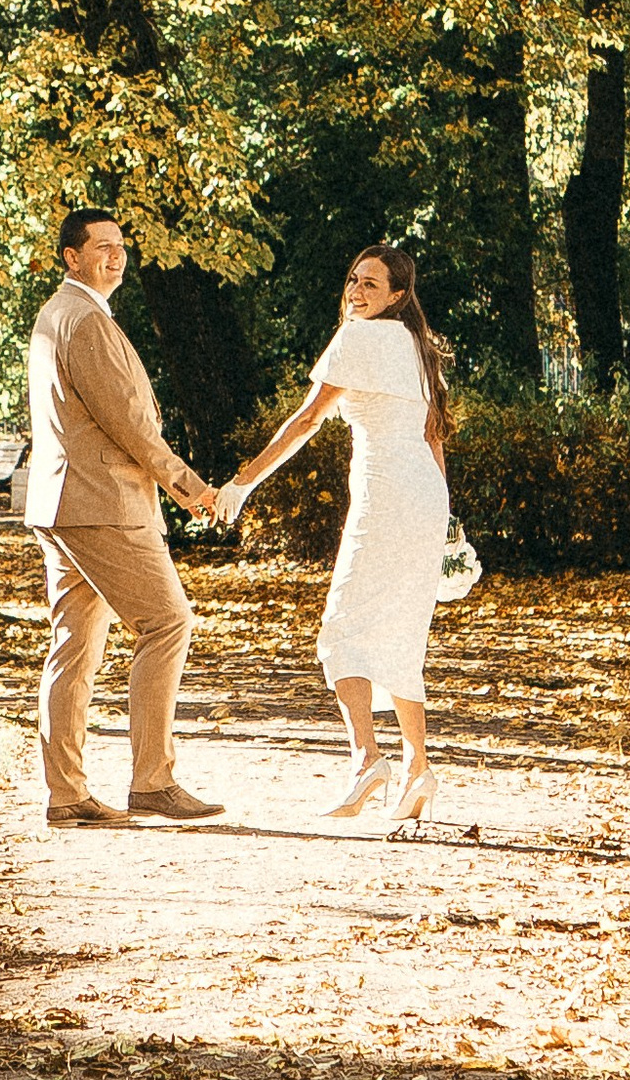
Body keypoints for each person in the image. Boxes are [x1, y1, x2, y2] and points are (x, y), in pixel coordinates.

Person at [230, 242, 450, 825]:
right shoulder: (416, 347)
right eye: (353, 280)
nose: (355, 292)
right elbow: (433, 438)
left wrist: (242, 483)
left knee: (341, 629)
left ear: (398, 296)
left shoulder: (360, 338)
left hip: (386, 497)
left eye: (371, 286)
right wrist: (445, 523)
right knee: (404, 629)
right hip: (426, 496)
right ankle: (417, 768)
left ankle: (366, 759)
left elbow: (306, 420)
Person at [26, 209, 230, 826]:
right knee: (168, 622)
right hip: (102, 503)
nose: (115, 257)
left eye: (120, 247)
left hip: (66, 502)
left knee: (75, 649)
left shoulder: (61, 315)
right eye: (101, 248)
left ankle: (67, 795)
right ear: (71, 257)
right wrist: (190, 486)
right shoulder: (83, 320)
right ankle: (152, 781)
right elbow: (130, 425)